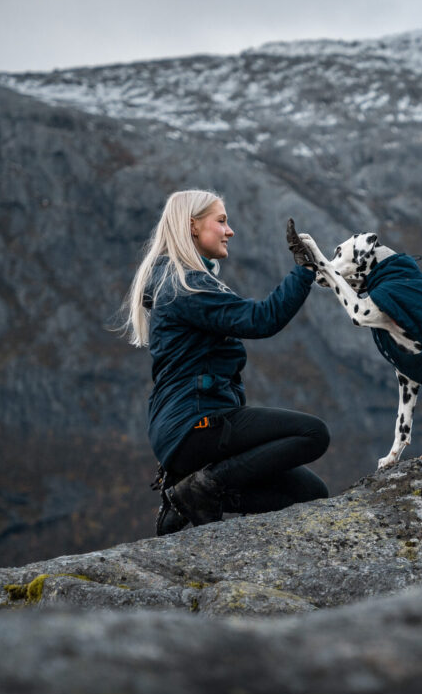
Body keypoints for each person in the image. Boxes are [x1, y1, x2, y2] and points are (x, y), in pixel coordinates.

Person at [121, 189, 329, 534]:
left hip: (187, 426)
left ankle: (190, 495)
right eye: (221, 221)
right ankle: (200, 489)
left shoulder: (177, 281)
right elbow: (262, 319)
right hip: (196, 422)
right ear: (192, 226)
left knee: (310, 493)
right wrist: (305, 268)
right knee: (312, 433)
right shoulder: (185, 285)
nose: (229, 230)